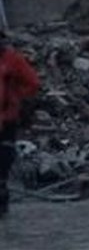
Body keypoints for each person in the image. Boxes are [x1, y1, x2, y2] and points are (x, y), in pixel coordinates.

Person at [0, 32, 39, 217]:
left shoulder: (13, 60)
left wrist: (15, 98)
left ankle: (1, 198)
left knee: (3, 159)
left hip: (7, 117)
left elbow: (32, 83)